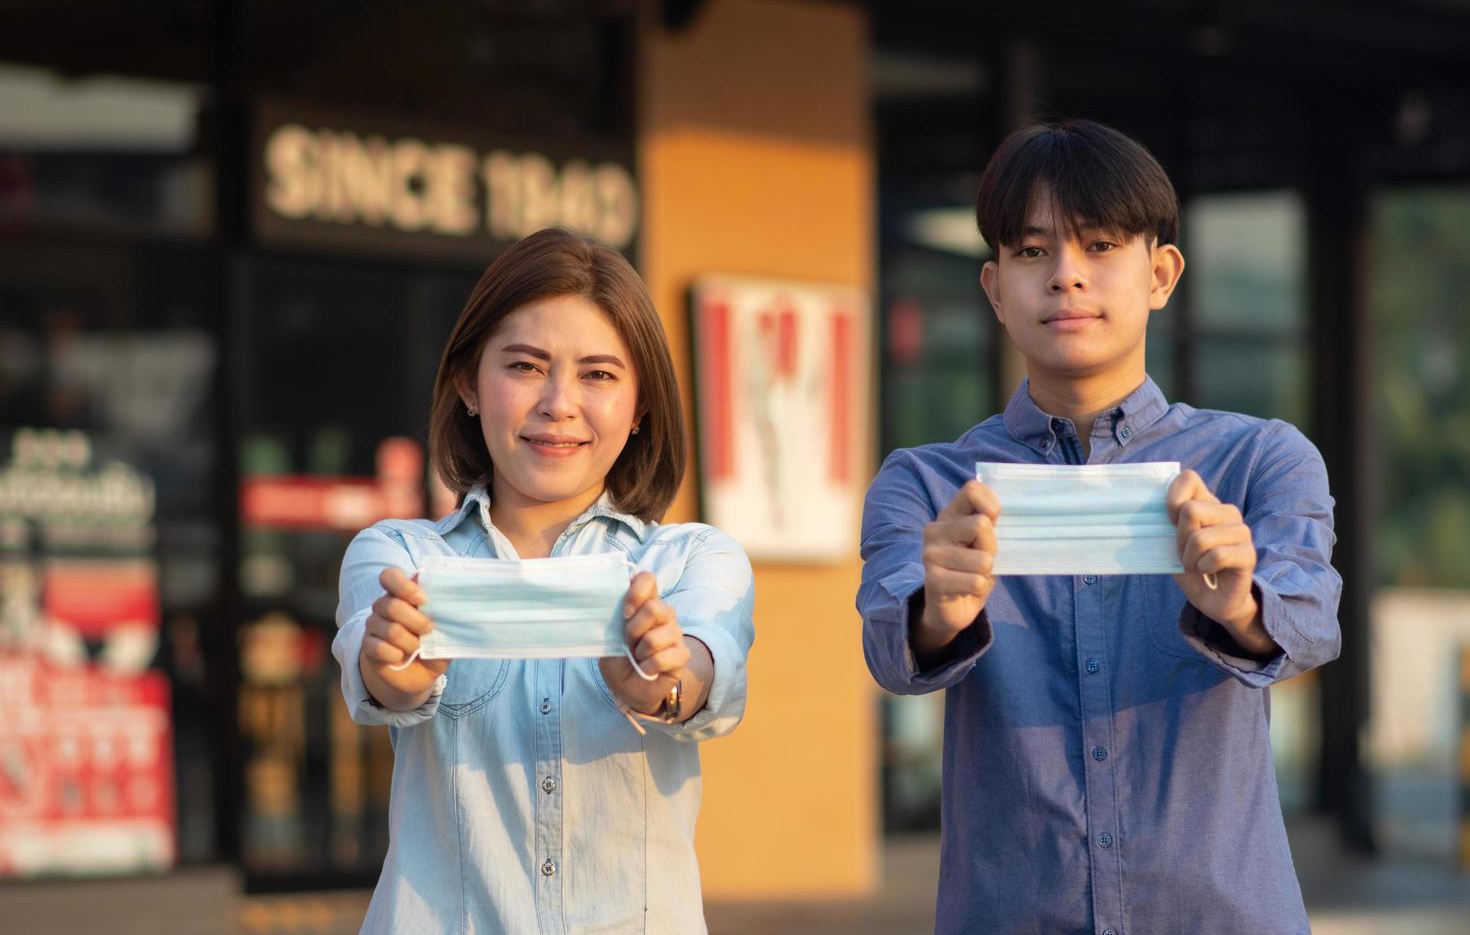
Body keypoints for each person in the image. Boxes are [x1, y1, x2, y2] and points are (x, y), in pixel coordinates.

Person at [857, 120, 1341, 934]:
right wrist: (939, 611)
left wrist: (1240, 607)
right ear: (994, 288)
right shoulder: (930, 484)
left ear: (1160, 273)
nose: (1067, 278)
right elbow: (888, 654)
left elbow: (1314, 620)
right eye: (1033, 251)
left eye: (1101, 244)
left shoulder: (1260, 459)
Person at [331, 227, 755, 933]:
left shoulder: (693, 561)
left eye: (598, 374)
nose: (559, 402)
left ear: (640, 404)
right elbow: (388, 679)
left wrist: (659, 680)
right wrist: (395, 660)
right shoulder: (399, 553)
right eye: (525, 366)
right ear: (468, 383)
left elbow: (702, 670)